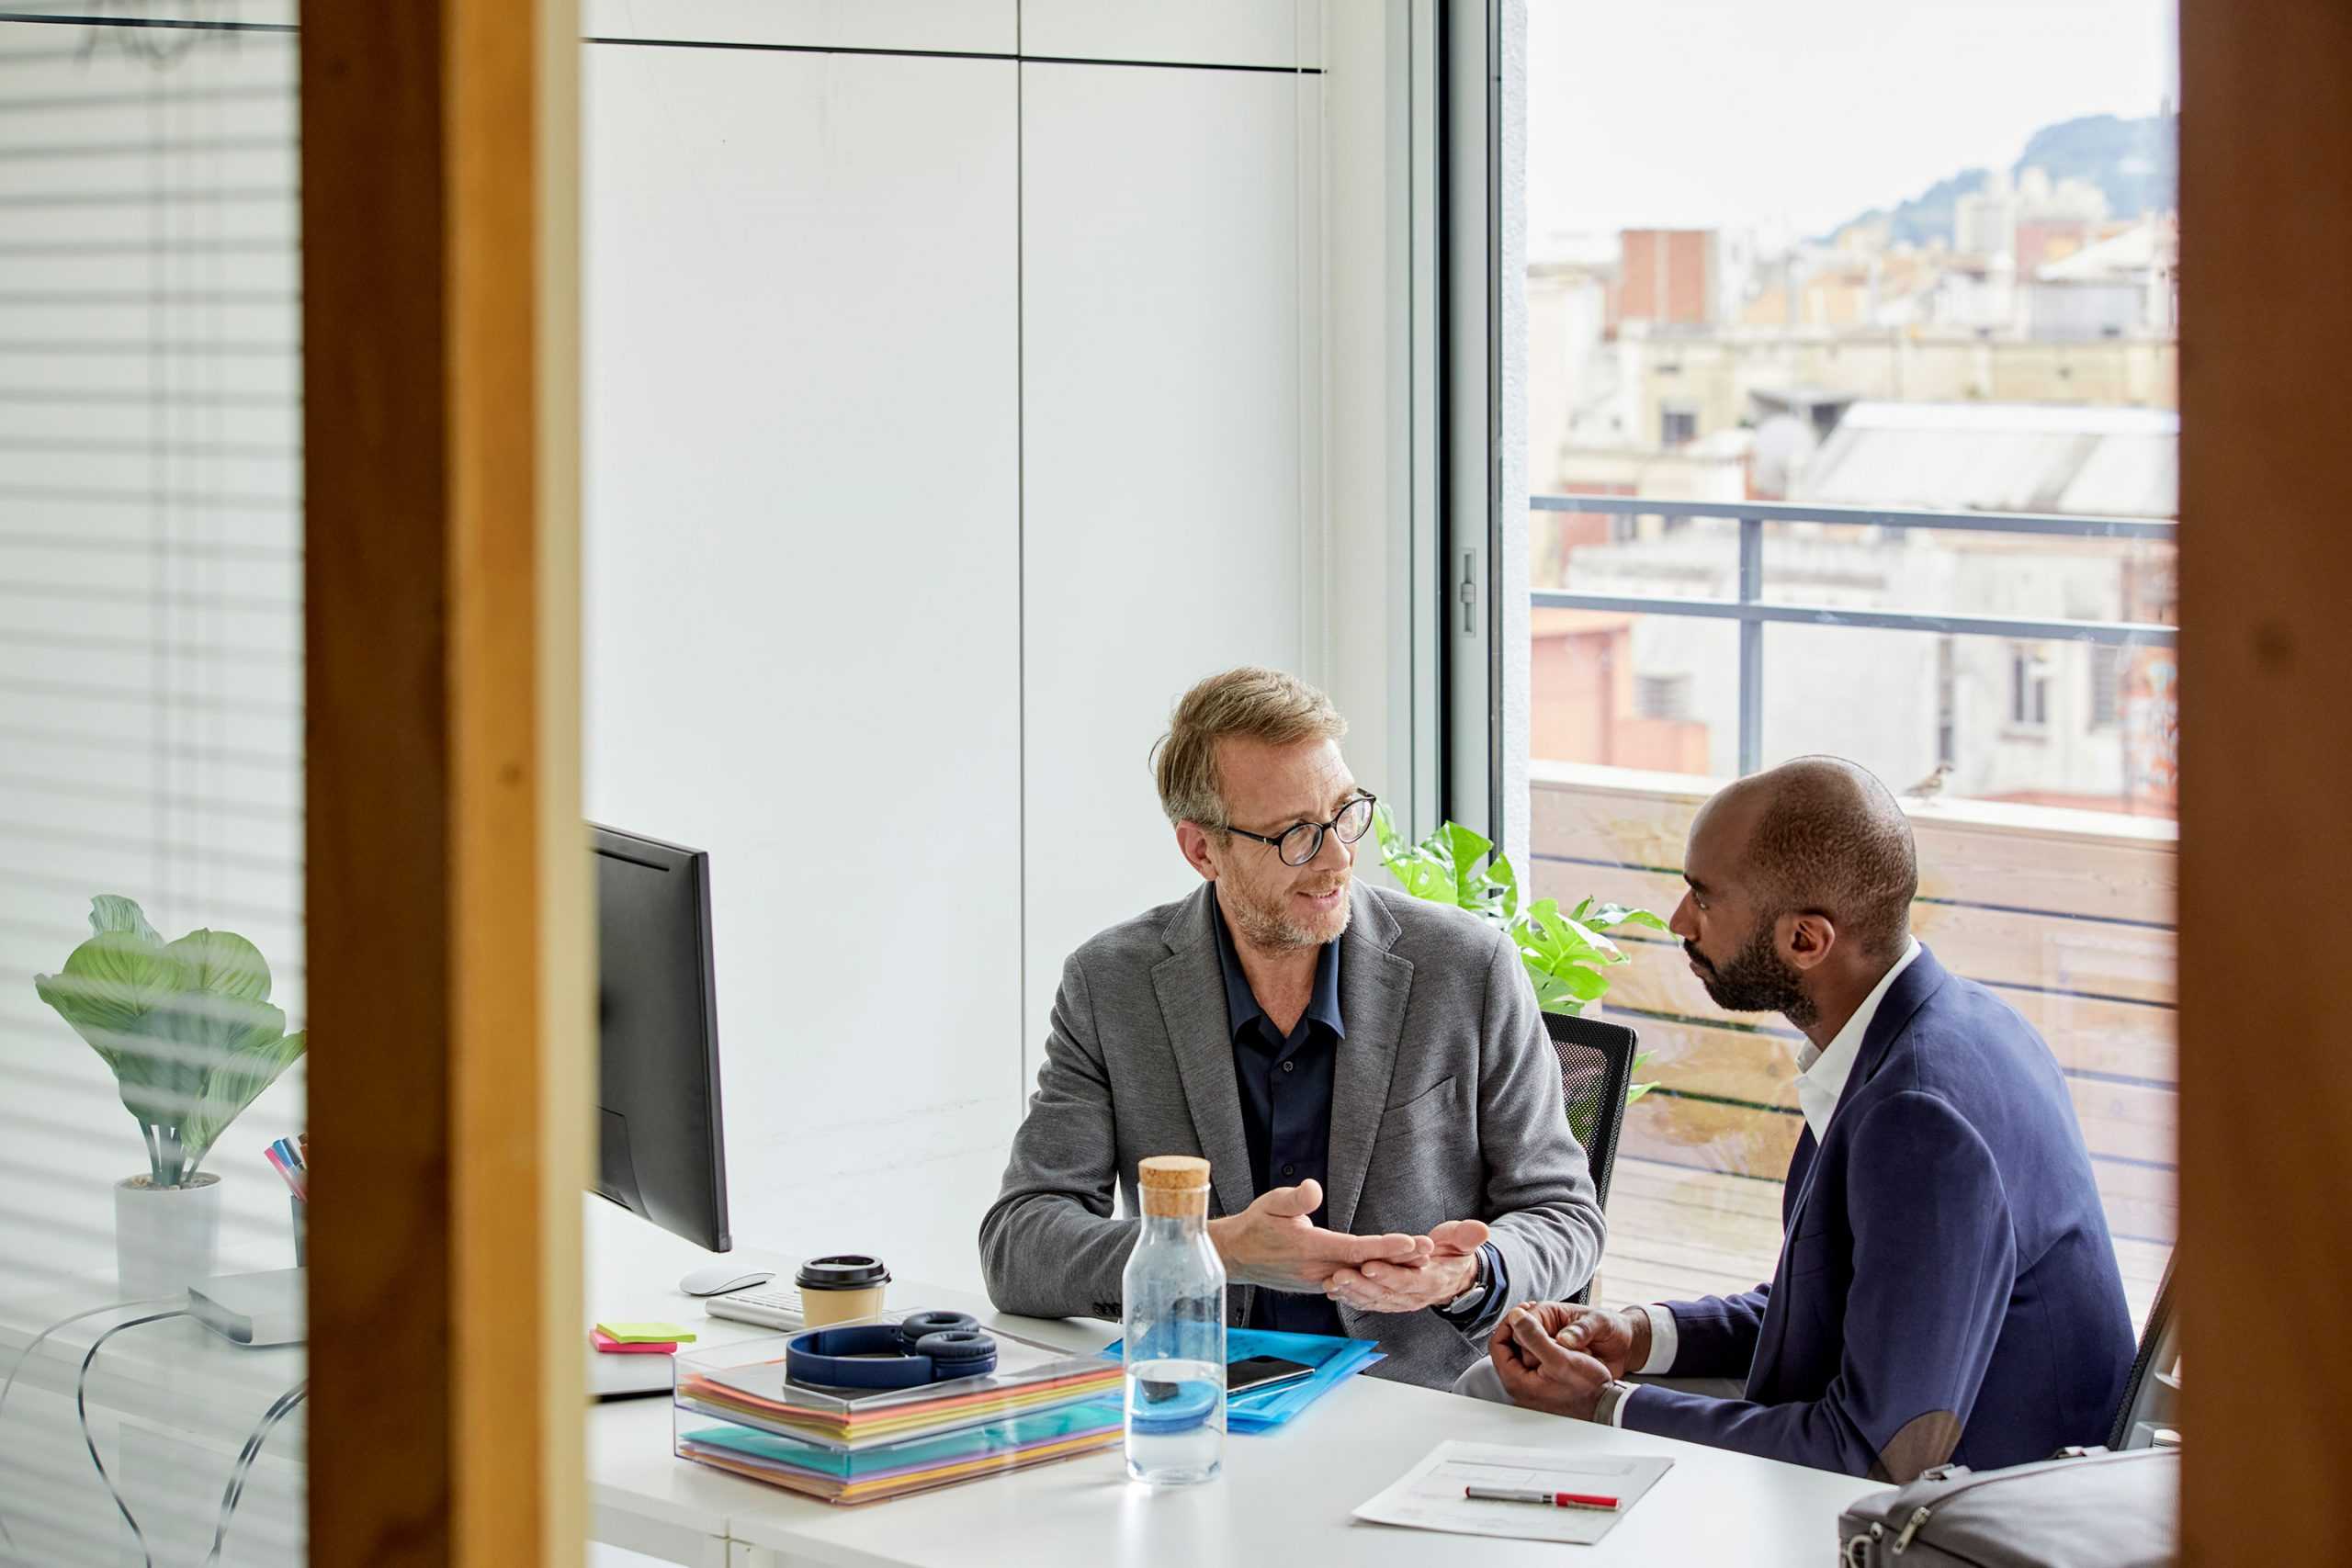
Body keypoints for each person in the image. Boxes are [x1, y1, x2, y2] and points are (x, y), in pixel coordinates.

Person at [1460, 757, 2134, 1482]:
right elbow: (1822, 1309)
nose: (1677, 920)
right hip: (1917, 1453)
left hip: (1974, 1518)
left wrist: (1603, 1404)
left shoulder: (1920, 1117)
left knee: (1509, 1411)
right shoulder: (1943, 1022)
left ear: (1806, 941)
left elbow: (1873, 1454)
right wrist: (1636, 1336)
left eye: (1703, 898)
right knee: (1497, 1389)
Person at [979, 667, 1605, 1389]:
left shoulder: (1468, 968)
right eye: (1295, 836)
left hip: (1413, 1408)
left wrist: (1469, 1272)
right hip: (1201, 1404)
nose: (1337, 856)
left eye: (1345, 813)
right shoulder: (1110, 984)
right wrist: (1217, 1249)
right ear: (1202, 850)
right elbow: (1017, 1244)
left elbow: (1563, 1214)